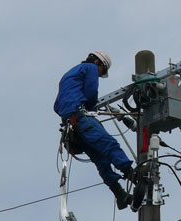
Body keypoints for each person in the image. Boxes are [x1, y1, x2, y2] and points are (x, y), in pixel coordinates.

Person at [54, 51, 134, 209]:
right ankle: (130, 172)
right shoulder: (89, 67)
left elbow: (57, 105)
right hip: (81, 117)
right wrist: (89, 108)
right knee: (108, 144)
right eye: (102, 71)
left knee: (101, 159)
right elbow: (91, 91)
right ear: (99, 62)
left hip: (71, 126)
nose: (99, 75)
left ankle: (119, 194)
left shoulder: (69, 75)